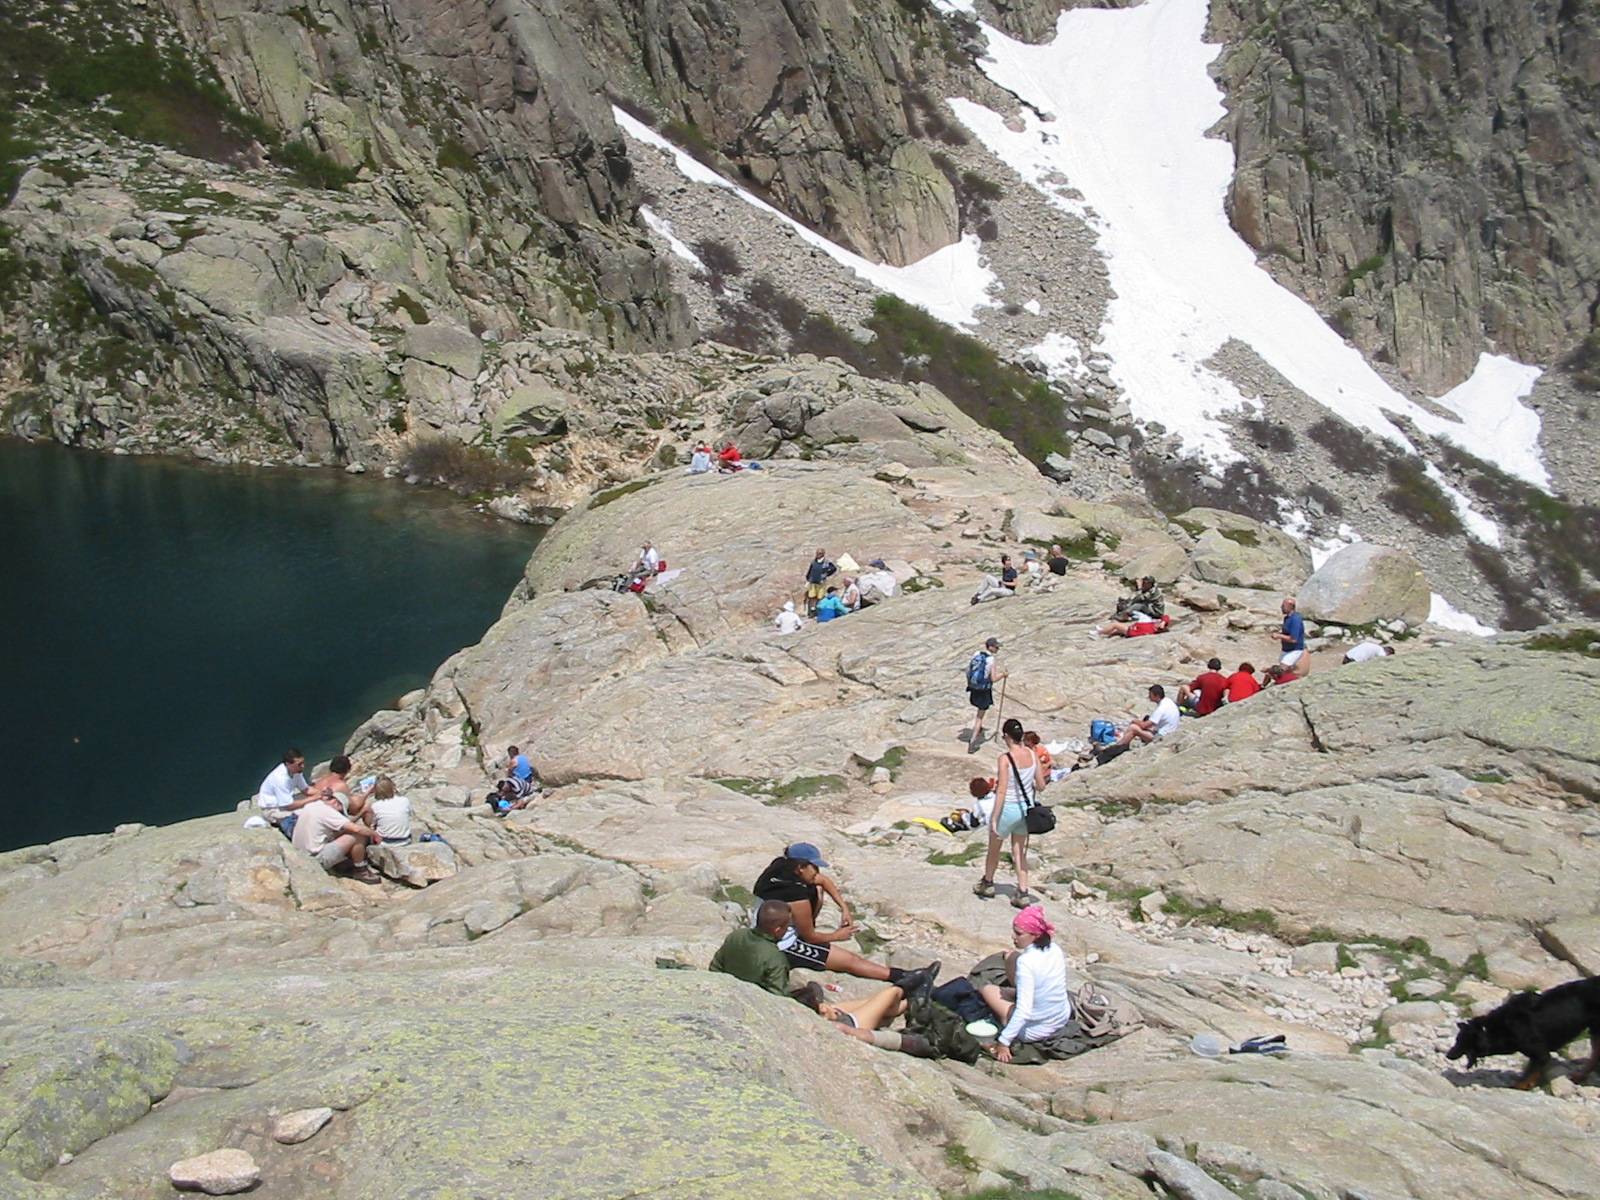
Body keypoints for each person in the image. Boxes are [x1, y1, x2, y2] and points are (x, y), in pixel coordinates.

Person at [750, 843, 909, 984]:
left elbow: (823, 881)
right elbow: (810, 937)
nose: (817, 871)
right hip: (780, 945)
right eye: (814, 867)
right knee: (850, 961)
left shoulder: (780, 868)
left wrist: (844, 908)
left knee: (817, 888)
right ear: (800, 868)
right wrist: (837, 936)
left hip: (766, 927)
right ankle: (900, 977)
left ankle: (901, 976)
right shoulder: (794, 894)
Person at [978, 905, 1073, 1063]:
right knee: (1011, 956)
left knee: (987, 990)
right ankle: (1015, 993)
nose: (1013, 936)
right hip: (1061, 1015)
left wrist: (1004, 1041)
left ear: (1035, 935)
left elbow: (1024, 1011)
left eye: (1019, 934)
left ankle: (1006, 1018)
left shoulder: (1026, 962)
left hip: (1034, 1029)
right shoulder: (1054, 949)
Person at [794, 968, 942, 1058]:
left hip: (842, 1020)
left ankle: (916, 998)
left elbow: (814, 988)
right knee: (892, 993)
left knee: (879, 1004)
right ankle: (919, 984)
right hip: (852, 1025)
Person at [973, 718, 1039, 908]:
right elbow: (1041, 784)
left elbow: (1001, 790)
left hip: (1008, 809)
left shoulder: (1005, 759)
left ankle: (987, 883)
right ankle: (1023, 892)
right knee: (1019, 852)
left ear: (1007, 737)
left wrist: (994, 818)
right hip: (1025, 809)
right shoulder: (1032, 754)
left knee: (994, 849)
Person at [291, 791, 380, 883]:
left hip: (300, 854)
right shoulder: (329, 812)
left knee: (345, 833)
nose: (339, 813)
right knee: (357, 836)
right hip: (316, 859)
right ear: (337, 804)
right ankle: (361, 871)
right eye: (340, 811)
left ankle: (344, 864)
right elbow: (357, 829)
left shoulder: (313, 805)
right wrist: (375, 834)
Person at [710, 899, 794, 995]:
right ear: (777, 930)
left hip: (724, 991)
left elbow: (715, 966)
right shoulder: (775, 958)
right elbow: (777, 994)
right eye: (787, 927)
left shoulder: (736, 935)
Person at [1110, 685, 1181, 749]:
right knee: (1146, 720)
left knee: (1133, 728)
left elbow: (1144, 725)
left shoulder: (1161, 709)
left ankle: (1119, 747)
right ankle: (1123, 744)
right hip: (1170, 732)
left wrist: (1135, 721)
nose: (1149, 697)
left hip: (1161, 737)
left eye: (1150, 695)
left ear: (1157, 696)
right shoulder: (1168, 701)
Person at [965, 637, 1006, 748]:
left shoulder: (976, 654)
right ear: (990, 647)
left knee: (979, 711)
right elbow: (993, 679)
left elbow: (968, 670)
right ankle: (973, 741)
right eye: (996, 647)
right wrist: (1003, 675)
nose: (998, 649)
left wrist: (970, 684)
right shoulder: (991, 660)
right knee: (979, 717)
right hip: (984, 691)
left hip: (974, 689)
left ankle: (980, 728)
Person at [256, 748, 312, 814]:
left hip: (285, 801)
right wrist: (313, 798)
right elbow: (289, 806)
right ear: (288, 764)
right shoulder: (280, 779)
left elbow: (305, 789)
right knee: (306, 813)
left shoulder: (296, 771)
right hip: (273, 808)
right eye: (299, 764)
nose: (303, 766)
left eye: (303, 762)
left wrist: (319, 793)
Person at [364, 776, 412, 845]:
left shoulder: (375, 806)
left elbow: (372, 824)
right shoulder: (405, 800)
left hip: (385, 841)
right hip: (404, 840)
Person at [803, 548, 837, 616]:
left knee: (820, 597)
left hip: (821, 582)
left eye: (819, 553)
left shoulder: (827, 562)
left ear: (823, 554)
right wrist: (808, 578)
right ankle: (812, 610)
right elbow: (810, 570)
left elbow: (834, 568)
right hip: (813, 581)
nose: (818, 555)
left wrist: (827, 574)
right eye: (817, 553)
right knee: (812, 596)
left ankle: (818, 610)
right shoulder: (813, 561)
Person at [1278, 596, 1306, 666]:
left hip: (1294, 650)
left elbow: (1293, 639)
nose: (1281, 607)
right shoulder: (1287, 618)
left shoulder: (1295, 619)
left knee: (1282, 668)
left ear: (1290, 606)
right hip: (1286, 649)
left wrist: (1279, 636)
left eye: (1283, 606)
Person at [1096, 613, 1172, 638]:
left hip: (1130, 631)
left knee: (1115, 625)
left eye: (1159, 624)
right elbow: (1166, 616)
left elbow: (1140, 634)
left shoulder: (1151, 630)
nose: (1158, 622)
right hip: (1132, 628)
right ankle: (1104, 632)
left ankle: (1099, 632)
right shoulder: (1154, 625)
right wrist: (1163, 622)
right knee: (1115, 631)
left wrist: (1133, 629)